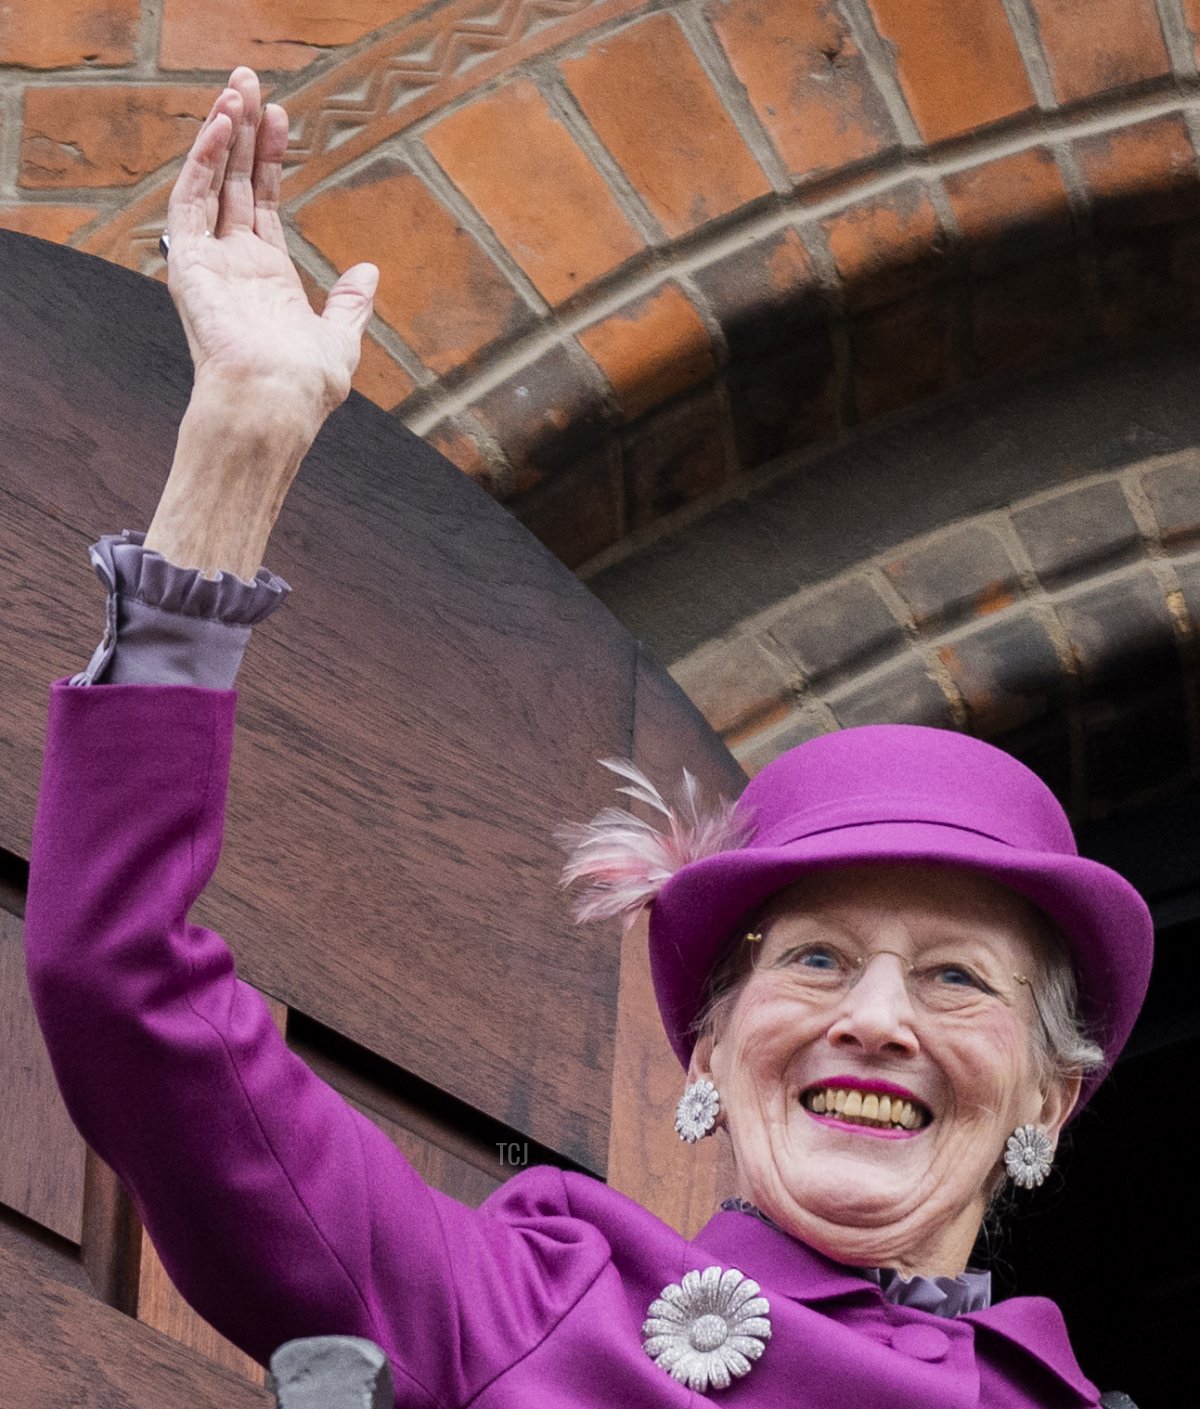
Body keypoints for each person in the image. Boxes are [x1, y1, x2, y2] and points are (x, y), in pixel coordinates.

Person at [24, 67, 1153, 1408]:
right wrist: (237, 456)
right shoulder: (538, 1304)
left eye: (958, 980)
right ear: (710, 1052)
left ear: (1047, 1098)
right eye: (816, 958)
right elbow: (125, 980)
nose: (875, 1018)